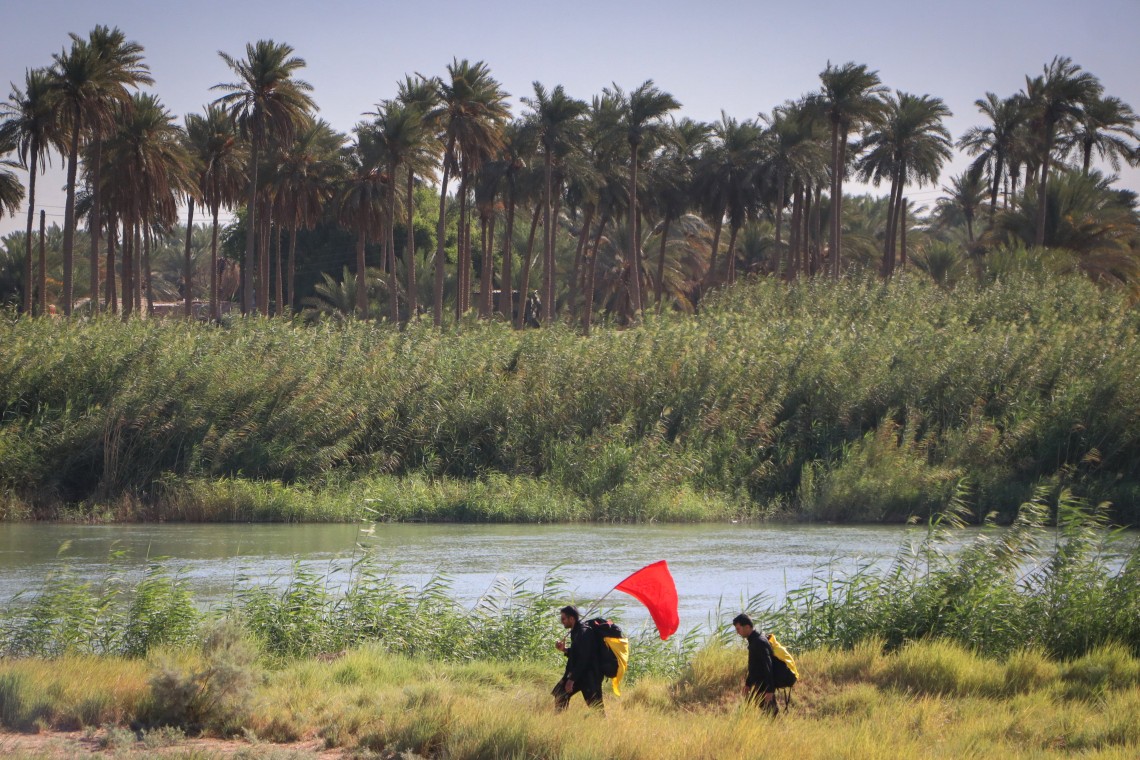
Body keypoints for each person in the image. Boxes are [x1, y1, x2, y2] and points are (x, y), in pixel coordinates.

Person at [552, 605, 604, 712]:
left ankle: (606, 727)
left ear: (571, 619)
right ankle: (559, 722)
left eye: (563, 619)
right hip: (580, 674)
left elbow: (584, 659)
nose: (562, 621)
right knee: (560, 693)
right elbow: (578, 653)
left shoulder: (583, 633)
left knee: (597, 709)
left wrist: (571, 680)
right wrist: (564, 649)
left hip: (589, 676)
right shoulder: (575, 631)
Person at [732, 613, 777, 716]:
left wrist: (770, 690)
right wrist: (748, 684)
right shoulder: (754, 641)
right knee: (768, 714)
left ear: (747, 627)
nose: (737, 632)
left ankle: (780, 731)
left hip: (763, 687)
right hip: (757, 686)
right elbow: (754, 666)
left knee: (770, 715)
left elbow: (768, 666)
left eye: (738, 629)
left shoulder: (759, 642)